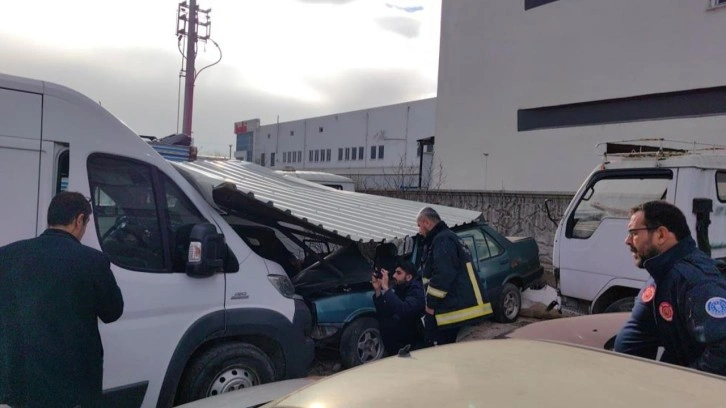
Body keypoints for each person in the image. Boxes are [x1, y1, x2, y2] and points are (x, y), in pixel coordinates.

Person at [0, 191, 125, 408]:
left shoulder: (7, 255)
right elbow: (112, 312)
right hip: (73, 386)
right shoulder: (93, 261)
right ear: (79, 220)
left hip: (18, 381)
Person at [614, 200, 726, 376]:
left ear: (660, 235)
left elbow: (723, 347)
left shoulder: (695, 281)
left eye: (634, 233)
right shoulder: (661, 273)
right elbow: (638, 333)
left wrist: (685, 384)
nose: (627, 240)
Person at [416, 207, 493, 346]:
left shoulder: (442, 240)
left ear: (426, 222)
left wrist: (430, 305)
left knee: (441, 350)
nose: (419, 231)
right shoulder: (449, 237)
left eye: (419, 226)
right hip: (453, 305)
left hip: (451, 308)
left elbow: (443, 275)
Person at [371, 259, 425, 355]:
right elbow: (383, 312)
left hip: (414, 346)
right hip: (397, 347)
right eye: (395, 272)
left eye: (398, 273)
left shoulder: (417, 291)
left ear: (408, 277)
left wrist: (386, 289)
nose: (394, 276)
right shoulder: (399, 288)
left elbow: (404, 310)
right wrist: (378, 291)